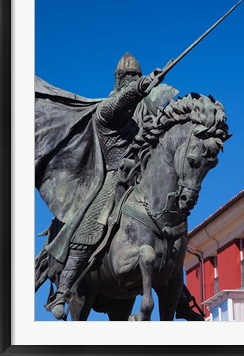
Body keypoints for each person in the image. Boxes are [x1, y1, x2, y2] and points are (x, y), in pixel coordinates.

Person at [35, 53, 176, 320]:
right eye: (131, 77)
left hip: (143, 175)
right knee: (90, 224)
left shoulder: (143, 114)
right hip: (113, 177)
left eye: (137, 76)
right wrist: (141, 86)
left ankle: (178, 292)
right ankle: (64, 289)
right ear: (120, 80)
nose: (134, 80)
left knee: (171, 220)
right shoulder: (106, 112)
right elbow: (123, 102)